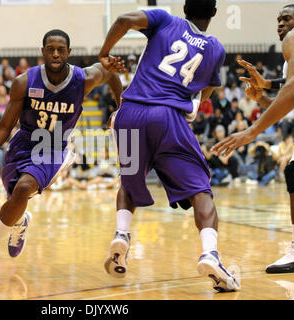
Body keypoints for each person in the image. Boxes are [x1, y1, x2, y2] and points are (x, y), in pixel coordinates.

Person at [98, 0, 240, 292]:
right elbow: (206, 89)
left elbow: (124, 19)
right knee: (201, 190)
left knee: (130, 178)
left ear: (185, 7)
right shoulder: (215, 48)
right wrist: (192, 105)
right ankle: (210, 253)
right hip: (167, 117)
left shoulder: (164, 19)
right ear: (213, 13)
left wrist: (104, 53)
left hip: (130, 111)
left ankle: (122, 235)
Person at [0, 29, 124, 272]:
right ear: (43, 51)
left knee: (23, 188)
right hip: (23, 144)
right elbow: (3, 127)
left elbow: (109, 72)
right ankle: (19, 222)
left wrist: (122, 107)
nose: (56, 54)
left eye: (61, 50)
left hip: (55, 147)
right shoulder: (24, 82)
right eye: (50, 49)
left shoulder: (83, 79)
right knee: (15, 198)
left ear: (69, 53)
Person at [212, 0, 294, 291]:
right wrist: (265, 94)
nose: (281, 24)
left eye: (287, 18)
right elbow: (292, 95)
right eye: (278, 19)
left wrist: (251, 131)